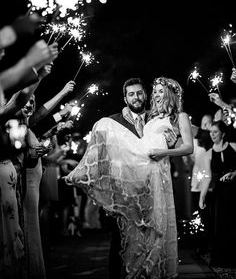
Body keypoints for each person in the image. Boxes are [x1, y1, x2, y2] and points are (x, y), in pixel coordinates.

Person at [66, 76, 193, 279]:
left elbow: (179, 143)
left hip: (152, 184)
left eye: (140, 93)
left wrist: (171, 144)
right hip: (125, 191)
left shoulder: (156, 116)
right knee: (121, 240)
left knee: (149, 236)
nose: (136, 97)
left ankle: (146, 272)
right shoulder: (117, 121)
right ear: (125, 98)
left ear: (145, 95)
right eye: (131, 94)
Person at [199, 120, 236, 269]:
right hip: (220, 194)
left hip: (234, 190)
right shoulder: (208, 153)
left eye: (215, 132)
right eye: (210, 132)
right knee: (220, 225)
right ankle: (222, 259)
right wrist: (202, 197)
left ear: (223, 133)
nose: (212, 134)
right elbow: (207, 176)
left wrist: (235, 173)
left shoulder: (233, 147)